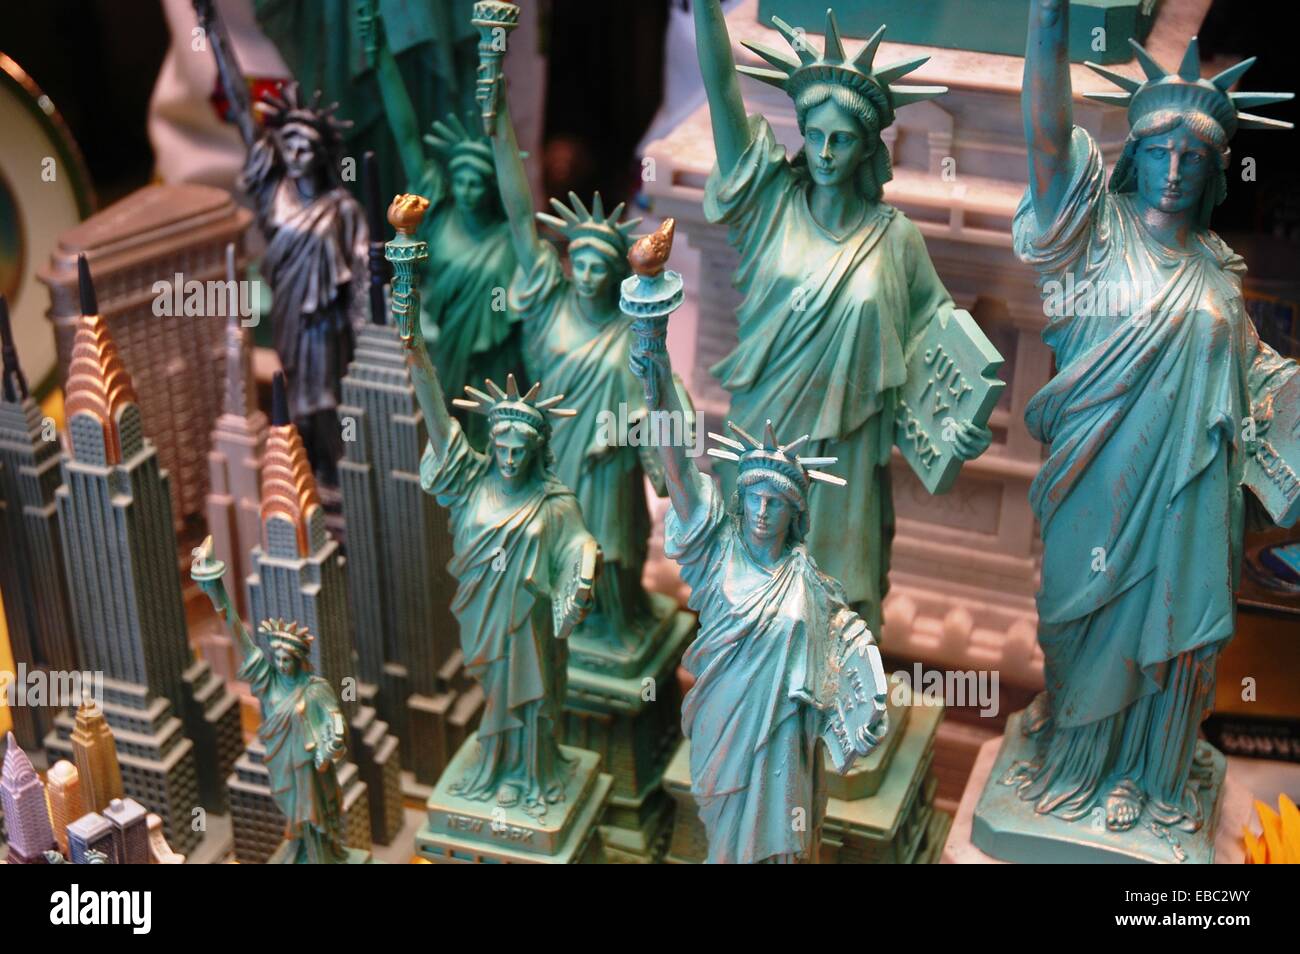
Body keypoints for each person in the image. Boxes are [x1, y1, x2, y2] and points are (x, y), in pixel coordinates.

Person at [1013, 0, 1295, 833]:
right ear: (1134, 157)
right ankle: (1077, 763)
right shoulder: (1093, 239)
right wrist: (1047, 18)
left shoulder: (1219, 273)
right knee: (1081, 621)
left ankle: (1150, 776)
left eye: (1193, 158)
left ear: (1214, 175)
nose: (1174, 170)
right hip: (1095, 492)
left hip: (1190, 505)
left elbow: (1258, 377)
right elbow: (1045, 138)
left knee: (1179, 636)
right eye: (1160, 151)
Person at [690, 3, 993, 636]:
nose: (825, 153)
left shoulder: (896, 240)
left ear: (867, 147)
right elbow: (721, 88)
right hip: (765, 432)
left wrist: (960, 428)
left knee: (834, 599)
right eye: (815, 135)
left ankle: (833, 692)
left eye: (843, 139)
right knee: (750, 583)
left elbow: (939, 349)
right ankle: (748, 683)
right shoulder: (769, 207)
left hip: (849, 448)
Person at [631, 303, 883, 864]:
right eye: (755, 498)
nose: (763, 512)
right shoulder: (715, 551)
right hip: (726, 726)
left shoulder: (812, 586)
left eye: (777, 502)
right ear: (740, 501)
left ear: (796, 516)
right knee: (726, 840)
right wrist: (655, 365)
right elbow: (678, 469)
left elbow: (845, 662)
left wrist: (865, 711)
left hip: (785, 747)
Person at [398, 194, 599, 814]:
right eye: (503, 445)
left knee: (534, 700)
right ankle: (495, 770)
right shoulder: (468, 480)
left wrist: (582, 573)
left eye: (520, 448)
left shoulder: (553, 502)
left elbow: (579, 545)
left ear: (537, 450)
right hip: (485, 619)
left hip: (532, 626)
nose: (508, 456)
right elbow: (429, 392)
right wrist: (407, 299)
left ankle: (534, 776)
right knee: (493, 692)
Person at [196, 0, 368, 488]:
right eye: (287, 142)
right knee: (297, 401)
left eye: (305, 145)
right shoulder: (274, 194)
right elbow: (242, 111)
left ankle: (340, 480)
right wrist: (214, 33)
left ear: (322, 153)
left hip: (329, 327)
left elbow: (362, 271)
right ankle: (310, 480)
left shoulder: (343, 209)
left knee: (330, 401)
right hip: (291, 321)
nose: (293, 152)